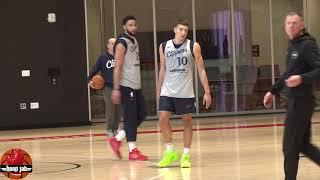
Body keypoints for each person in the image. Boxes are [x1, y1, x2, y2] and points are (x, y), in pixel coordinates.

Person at [263, 12, 320, 180]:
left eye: (294, 23)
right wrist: (272, 91)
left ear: (301, 25)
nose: (290, 26)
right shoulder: (292, 45)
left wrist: (302, 78)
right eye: (288, 23)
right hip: (297, 102)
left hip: (301, 102)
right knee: (303, 144)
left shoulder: (307, 45)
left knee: (289, 147)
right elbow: (289, 73)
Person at [157, 18, 212, 168]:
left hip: (185, 91)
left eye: (186, 30)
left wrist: (207, 92)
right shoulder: (163, 46)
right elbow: (162, 69)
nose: (183, 32)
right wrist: (159, 89)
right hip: (167, 90)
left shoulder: (193, 46)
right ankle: (170, 151)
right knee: (162, 119)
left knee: (187, 121)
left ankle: (186, 155)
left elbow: (201, 69)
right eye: (180, 29)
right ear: (175, 30)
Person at [110, 15, 148, 161]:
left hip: (136, 85)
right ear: (124, 27)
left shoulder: (134, 40)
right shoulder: (121, 43)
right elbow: (117, 67)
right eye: (130, 25)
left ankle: (117, 139)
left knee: (143, 113)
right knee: (131, 117)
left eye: (135, 25)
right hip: (126, 86)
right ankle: (133, 150)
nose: (133, 27)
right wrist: (115, 89)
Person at [88, 38, 124, 158]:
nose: (114, 45)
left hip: (119, 87)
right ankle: (110, 130)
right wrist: (89, 80)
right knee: (110, 108)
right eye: (112, 43)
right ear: (108, 45)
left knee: (118, 111)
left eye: (116, 43)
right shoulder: (103, 58)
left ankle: (115, 131)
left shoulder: (121, 56)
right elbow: (93, 71)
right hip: (108, 87)